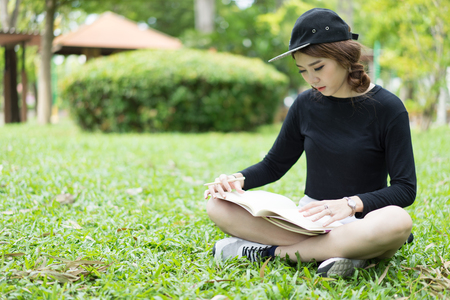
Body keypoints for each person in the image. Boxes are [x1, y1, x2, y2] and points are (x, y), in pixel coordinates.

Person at [204, 8, 416, 277]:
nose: (312, 79)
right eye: (302, 70)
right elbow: (274, 165)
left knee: (398, 222)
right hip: (309, 220)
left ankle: (267, 252)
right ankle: (343, 253)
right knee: (218, 205)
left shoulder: (388, 107)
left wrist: (348, 204)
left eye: (318, 67)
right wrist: (235, 180)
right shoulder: (305, 104)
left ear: (346, 57)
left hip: (362, 219)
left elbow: (405, 188)